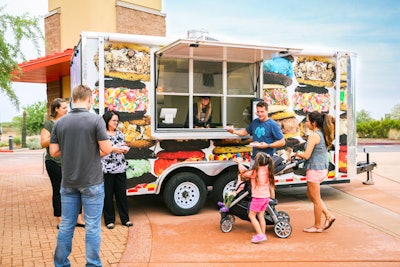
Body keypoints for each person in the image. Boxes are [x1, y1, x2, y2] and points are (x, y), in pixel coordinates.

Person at [50, 85, 112, 267]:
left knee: (67, 224)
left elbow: (53, 152)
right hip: (92, 181)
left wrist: (71, 148)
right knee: (92, 226)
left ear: (73, 99)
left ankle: (61, 263)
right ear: (89, 99)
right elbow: (106, 149)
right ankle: (92, 264)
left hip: (68, 181)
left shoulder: (60, 122)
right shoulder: (96, 120)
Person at [40, 98, 85, 229]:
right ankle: (60, 220)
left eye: (67, 107)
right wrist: (57, 133)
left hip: (71, 163)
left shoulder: (70, 122)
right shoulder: (49, 125)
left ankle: (78, 218)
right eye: (64, 108)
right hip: (54, 163)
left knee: (77, 189)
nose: (67, 110)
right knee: (58, 191)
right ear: (56, 109)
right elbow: (43, 143)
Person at [294, 111, 336, 233]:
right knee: (310, 194)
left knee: (316, 199)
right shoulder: (322, 133)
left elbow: (306, 155)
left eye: (307, 121)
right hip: (322, 168)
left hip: (314, 169)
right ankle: (328, 215)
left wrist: (296, 154)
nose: (306, 123)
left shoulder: (313, 136)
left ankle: (317, 226)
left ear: (314, 123)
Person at [100, 110, 133, 229]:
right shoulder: (101, 135)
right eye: (113, 120)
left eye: (117, 121)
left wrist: (125, 149)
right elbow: (97, 153)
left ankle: (125, 219)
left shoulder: (119, 133)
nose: (116, 123)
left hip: (120, 168)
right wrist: (112, 149)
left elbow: (123, 144)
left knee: (122, 195)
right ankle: (109, 220)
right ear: (107, 120)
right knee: (108, 196)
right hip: (107, 170)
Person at [237, 152, 275, 243]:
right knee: (261, 215)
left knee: (251, 215)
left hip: (258, 198)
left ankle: (260, 235)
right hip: (266, 197)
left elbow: (243, 173)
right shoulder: (267, 170)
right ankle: (263, 234)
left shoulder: (255, 172)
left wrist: (239, 162)